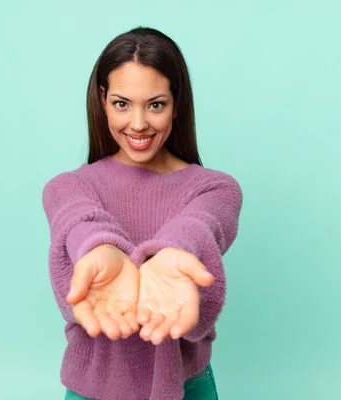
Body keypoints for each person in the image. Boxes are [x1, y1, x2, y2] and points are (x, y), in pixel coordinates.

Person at [42, 26, 243, 400]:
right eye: (122, 103)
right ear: (102, 100)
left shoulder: (216, 188)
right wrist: (99, 249)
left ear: (176, 103)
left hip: (189, 387)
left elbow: (199, 225)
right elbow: (79, 219)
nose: (138, 123)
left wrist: (171, 253)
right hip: (92, 390)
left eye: (155, 104)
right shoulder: (68, 187)